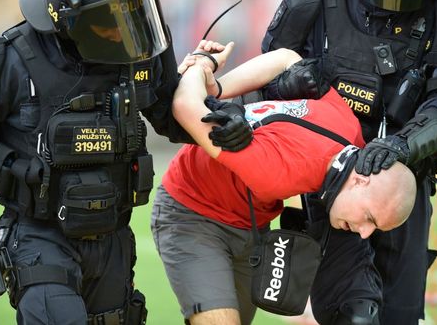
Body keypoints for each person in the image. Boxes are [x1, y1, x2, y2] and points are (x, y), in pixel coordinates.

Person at [0, 0, 251, 325]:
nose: (127, 27)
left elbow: (172, 116)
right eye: (114, 19)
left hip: (114, 239)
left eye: (134, 9)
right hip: (39, 236)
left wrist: (225, 119)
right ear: (72, 19)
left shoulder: (138, 54)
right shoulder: (2, 60)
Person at [260, 0, 437, 324]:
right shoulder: (309, 7)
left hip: (403, 195)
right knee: (350, 314)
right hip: (330, 196)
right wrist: (289, 83)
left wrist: (400, 149)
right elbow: (259, 99)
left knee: (399, 316)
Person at [151, 41, 417, 325]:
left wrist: (217, 87)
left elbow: (286, 58)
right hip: (193, 214)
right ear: (361, 181)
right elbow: (184, 107)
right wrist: (201, 65)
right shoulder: (277, 173)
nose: (364, 233)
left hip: (250, 227)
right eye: (369, 218)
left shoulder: (348, 128)